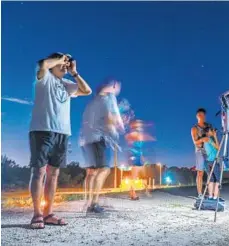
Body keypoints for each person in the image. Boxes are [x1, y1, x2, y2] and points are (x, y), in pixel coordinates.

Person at [29, 52, 92, 229]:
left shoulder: (66, 85)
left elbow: (87, 91)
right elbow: (42, 64)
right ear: (54, 62)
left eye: (67, 63)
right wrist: (60, 58)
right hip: (42, 130)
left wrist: (74, 72)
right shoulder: (45, 78)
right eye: (62, 63)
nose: (65, 65)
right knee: (39, 172)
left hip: (62, 133)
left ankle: (48, 213)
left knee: (53, 174)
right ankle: (37, 215)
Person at [79, 79, 124, 213]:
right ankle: (94, 204)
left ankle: (88, 202)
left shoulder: (92, 102)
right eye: (117, 87)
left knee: (91, 172)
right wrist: (119, 126)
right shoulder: (109, 98)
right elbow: (111, 118)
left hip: (85, 140)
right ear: (114, 86)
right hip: (98, 139)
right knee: (104, 169)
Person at [191, 108, 223, 201]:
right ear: (197, 116)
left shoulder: (209, 125)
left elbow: (213, 137)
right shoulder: (194, 128)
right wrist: (203, 139)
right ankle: (200, 194)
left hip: (210, 151)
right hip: (200, 151)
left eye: (203, 115)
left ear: (205, 116)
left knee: (212, 173)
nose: (201, 116)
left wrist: (214, 135)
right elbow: (195, 142)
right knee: (200, 172)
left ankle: (213, 195)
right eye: (199, 115)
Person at [125, 120, 154, 200]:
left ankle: (146, 191)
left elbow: (140, 145)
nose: (140, 126)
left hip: (139, 157)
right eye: (138, 125)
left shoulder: (138, 134)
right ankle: (133, 194)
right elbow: (131, 145)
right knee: (134, 177)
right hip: (135, 157)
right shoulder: (132, 134)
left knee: (143, 176)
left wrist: (142, 158)